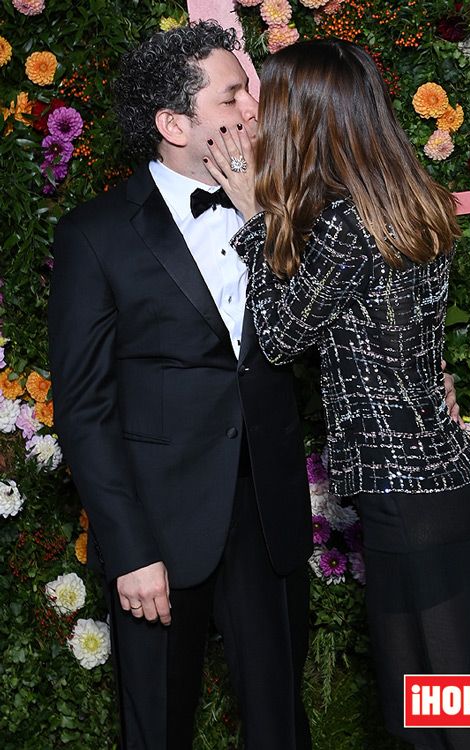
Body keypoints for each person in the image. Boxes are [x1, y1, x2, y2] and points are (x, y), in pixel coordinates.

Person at [204, 39, 470, 750]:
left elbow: (281, 334)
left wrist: (254, 217)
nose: (257, 120)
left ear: (309, 120)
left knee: (441, 713)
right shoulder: (403, 199)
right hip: (438, 481)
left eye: (272, 105)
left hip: (404, 498)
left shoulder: (344, 223)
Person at [47, 22, 314, 750]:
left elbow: (325, 336)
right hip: (160, 530)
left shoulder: (284, 212)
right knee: (159, 727)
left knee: (280, 727)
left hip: (269, 520)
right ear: (174, 123)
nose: (252, 111)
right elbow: (83, 408)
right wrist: (128, 549)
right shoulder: (95, 234)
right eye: (233, 96)